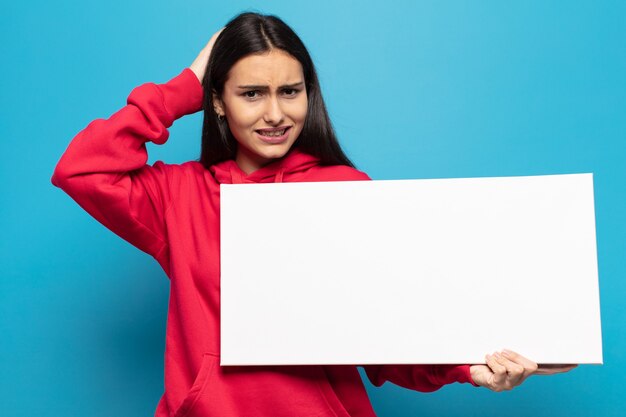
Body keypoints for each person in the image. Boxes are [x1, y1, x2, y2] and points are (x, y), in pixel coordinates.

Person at [51, 12, 575, 417]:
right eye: (251, 94)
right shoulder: (178, 196)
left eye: (290, 92)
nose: (275, 114)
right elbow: (82, 170)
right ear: (218, 102)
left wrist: (472, 369)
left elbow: (387, 337)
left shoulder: (347, 192)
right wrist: (182, 87)